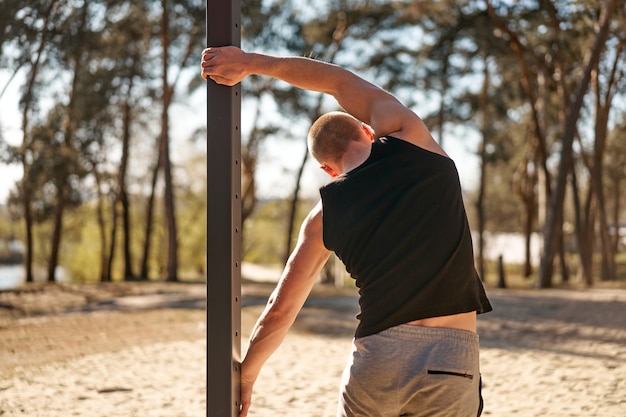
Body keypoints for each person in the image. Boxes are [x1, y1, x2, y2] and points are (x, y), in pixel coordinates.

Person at [202, 46, 493, 417]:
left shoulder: (323, 216)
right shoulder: (411, 135)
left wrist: (247, 376)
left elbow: (280, 310)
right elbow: (337, 81)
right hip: (451, 356)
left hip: (379, 358)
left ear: (328, 170)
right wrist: (252, 63)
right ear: (368, 130)